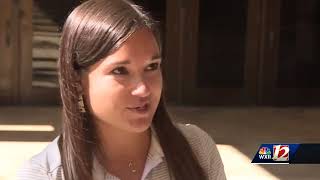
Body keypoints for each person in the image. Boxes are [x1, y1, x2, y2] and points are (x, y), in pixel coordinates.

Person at [17, 0, 226, 179]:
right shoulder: (44, 174)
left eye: (152, 67)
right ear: (77, 80)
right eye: (120, 71)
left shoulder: (196, 148)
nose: (143, 89)